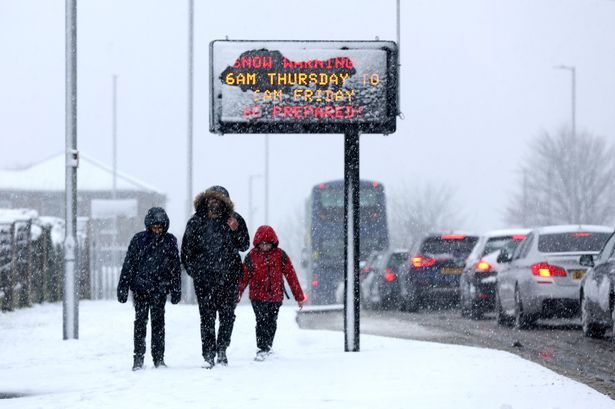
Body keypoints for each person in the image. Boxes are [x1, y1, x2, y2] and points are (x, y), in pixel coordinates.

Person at [181, 185, 250, 368]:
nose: (214, 203)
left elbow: (244, 245)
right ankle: (209, 354)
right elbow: (186, 251)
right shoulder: (196, 222)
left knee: (227, 316)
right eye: (212, 199)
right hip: (204, 280)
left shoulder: (235, 220)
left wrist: (236, 230)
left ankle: (222, 350)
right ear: (206, 200)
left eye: (219, 200)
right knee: (207, 317)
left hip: (229, 277)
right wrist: (195, 272)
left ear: (225, 203)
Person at [117, 207, 181, 371]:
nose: (157, 230)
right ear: (149, 225)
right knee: (140, 323)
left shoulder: (170, 241)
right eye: (155, 227)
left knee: (159, 324)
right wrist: (123, 287)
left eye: (160, 227)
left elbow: (175, 267)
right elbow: (129, 264)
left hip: (160, 290)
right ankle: (138, 359)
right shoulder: (139, 240)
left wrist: (176, 289)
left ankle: (158, 359)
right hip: (141, 289)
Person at [238, 225, 307, 361]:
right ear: (258, 244)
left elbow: (291, 276)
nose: (265, 247)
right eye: (262, 244)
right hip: (257, 297)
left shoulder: (280, 255)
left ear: (272, 243)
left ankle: (268, 346)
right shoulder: (251, 256)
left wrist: (299, 296)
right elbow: (243, 278)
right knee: (261, 321)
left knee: (271, 322)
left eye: (267, 244)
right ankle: (262, 347)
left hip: (275, 296)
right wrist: (237, 295)